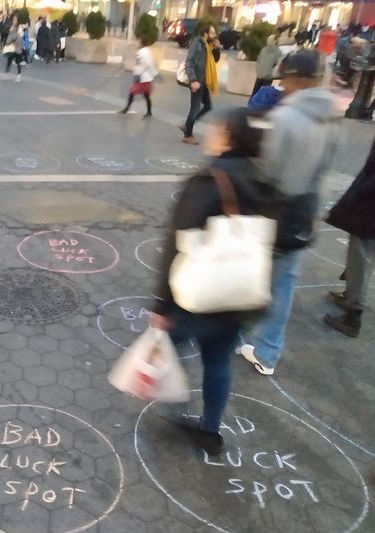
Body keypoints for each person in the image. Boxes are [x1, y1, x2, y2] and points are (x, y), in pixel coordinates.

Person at [151, 107, 279, 454]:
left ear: (229, 137)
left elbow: (178, 244)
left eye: (216, 129)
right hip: (242, 291)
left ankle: (176, 412)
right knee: (218, 359)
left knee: (167, 350)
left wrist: (161, 303)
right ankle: (211, 431)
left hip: (199, 293)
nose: (210, 134)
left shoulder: (209, 180)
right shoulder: (264, 177)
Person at [238, 50, 337, 375]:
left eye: (285, 79)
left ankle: (236, 336)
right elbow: (325, 169)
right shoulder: (330, 118)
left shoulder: (284, 118)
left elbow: (266, 171)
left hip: (274, 211)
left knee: (251, 276)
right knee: (283, 285)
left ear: (294, 80)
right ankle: (267, 352)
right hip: (305, 212)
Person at [322, 137, 375, 338]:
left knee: (361, 254)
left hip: (369, 204)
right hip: (368, 199)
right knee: (363, 253)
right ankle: (351, 295)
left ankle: (353, 314)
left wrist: (360, 194)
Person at [182, 24, 221, 145]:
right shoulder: (197, 44)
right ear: (205, 34)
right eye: (212, 33)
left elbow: (215, 60)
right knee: (194, 109)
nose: (214, 36)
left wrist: (217, 49)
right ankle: (188, 135)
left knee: (208, 106)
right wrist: (193, 80)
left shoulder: (209, 46)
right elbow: (189, 62)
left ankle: (187, 125)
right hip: (197, 82)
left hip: (205, 82)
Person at [120, 34, 157, 118]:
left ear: (141, 42)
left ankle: (127, 108)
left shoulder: (142, 52)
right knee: (146, 95)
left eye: (139, 41)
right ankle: (149, 112)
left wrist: (137, 74)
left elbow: (142, 64)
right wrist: (154, 73)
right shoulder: (148, 51)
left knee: (132, 92)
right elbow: (150, 63)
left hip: (142, 78)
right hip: (147, 78)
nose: (138, 42)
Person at [251, 34, 281, 99]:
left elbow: (277, 64)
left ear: (275, 41)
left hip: (268, 76)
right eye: (268, 39)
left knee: (264, 93)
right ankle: (251, 104)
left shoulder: (278, 52)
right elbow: (259, 60)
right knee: (255, 92)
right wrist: (258, 70)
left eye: (271, 39)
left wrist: (272, 73)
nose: (268, 41)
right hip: (260, 74)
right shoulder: (264, 50)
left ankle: (260, 107)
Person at [4, 16, 23, 82]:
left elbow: (7, 42)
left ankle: (7, 72)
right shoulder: (20, 33)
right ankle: (19, 76)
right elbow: (21, 42)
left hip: (12, 50)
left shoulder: (12, 34)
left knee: (9, 61)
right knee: (18, 63)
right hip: (18, 50)